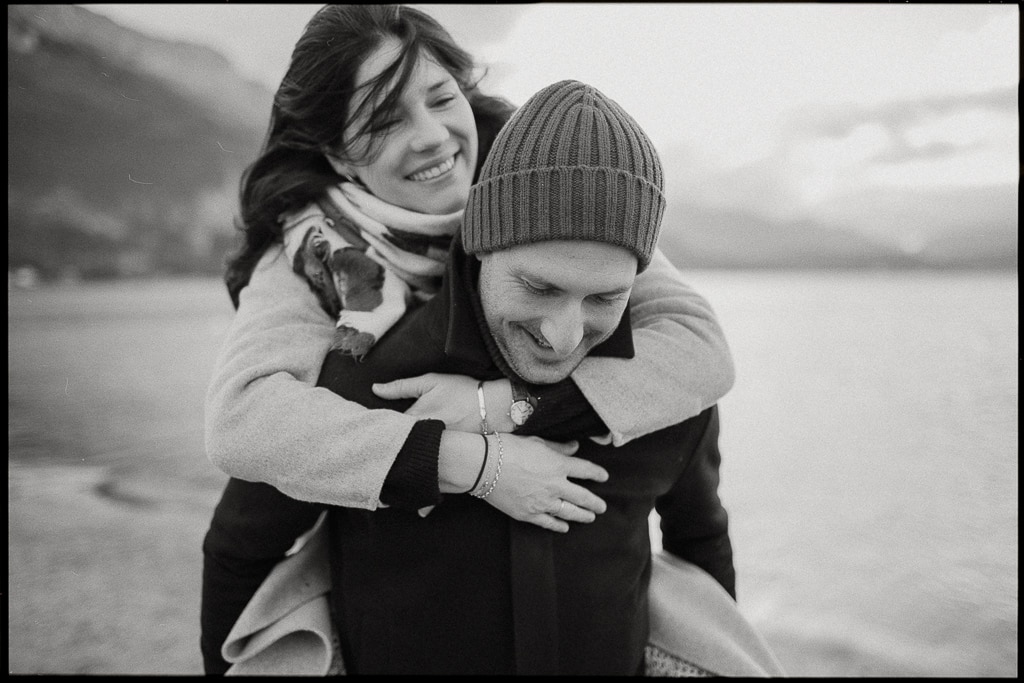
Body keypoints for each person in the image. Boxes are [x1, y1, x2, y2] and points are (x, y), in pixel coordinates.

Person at [201, 4, 736, 674]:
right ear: (339, 152)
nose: (431, 136)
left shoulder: (551, 199)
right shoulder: (314, 265)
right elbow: (242, 427)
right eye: (386, 118)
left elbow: (700, 348)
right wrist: (474, 463)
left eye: (440, 97)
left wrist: (499, 406)